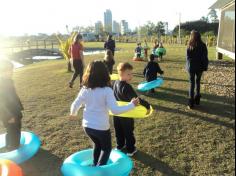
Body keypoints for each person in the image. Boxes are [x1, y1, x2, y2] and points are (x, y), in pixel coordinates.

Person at [70, 61, 139, 166]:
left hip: (87, 126)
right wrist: (131, 105)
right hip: (101, 128)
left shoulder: (85, 89)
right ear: (105, 74)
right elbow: (115, 110)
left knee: (97, 145)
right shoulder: (107, 90)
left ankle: (94, 165)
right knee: (106, 149)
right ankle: (99, 170)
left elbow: (75, 103)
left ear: (88, 74)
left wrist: (73, 113)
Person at [112, 63, 151, 156]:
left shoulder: (115, 83)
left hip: (117, 113)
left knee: (119, 130)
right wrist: (147, 105)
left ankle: (119, 146)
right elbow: (136, 100)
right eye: (128, 74)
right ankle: (130, 149)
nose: (131, 76)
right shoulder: (127, 87)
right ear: (121, 74)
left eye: (131, 74)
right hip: (126, 114)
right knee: (128, 131)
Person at [0, 59, 24, 152]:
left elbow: (13, 96)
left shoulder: (9, 81)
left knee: (17, 128)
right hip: (8, 113)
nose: (11, 72)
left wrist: (19, 108)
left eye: (12, 70)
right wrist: (8, 116)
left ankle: (15, 144)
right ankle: (12, 148)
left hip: (15, 111)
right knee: (11, 130)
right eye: (9, 70)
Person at [186, 30, 209, 109]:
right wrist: (205, 66)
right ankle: (197, 100)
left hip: (192, 67)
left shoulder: (190, 44)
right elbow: (205, 57)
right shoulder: (203, 45)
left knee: (192, 84)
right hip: (199, 67)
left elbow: (188, 58)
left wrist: (188, 66)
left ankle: (191, 103)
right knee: (197, 82)